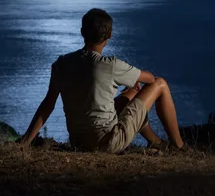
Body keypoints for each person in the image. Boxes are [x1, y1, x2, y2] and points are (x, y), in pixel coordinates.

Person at [19, 8, 191, 154]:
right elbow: (151, 79)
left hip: (79, 143)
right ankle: (179, 146)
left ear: (82, 32)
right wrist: (131, 79)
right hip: (108, 142)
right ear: (109, 34)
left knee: (130, 95)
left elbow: (47, 105)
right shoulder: (110, 65)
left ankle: (156, 143)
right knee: (160, 84)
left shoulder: (61, 63)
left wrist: (25, 142)